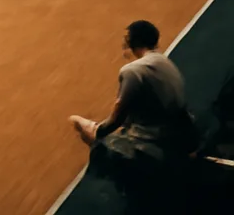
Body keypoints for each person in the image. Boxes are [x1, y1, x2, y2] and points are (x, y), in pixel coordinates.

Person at [70, 20, 200, 211]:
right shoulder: (164, 61)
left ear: (132, 42)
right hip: (186, 132)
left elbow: (116, 119)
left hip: (158, 142)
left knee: (81, 125)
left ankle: (128, 178)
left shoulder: (131, 70)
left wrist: (97, 132)